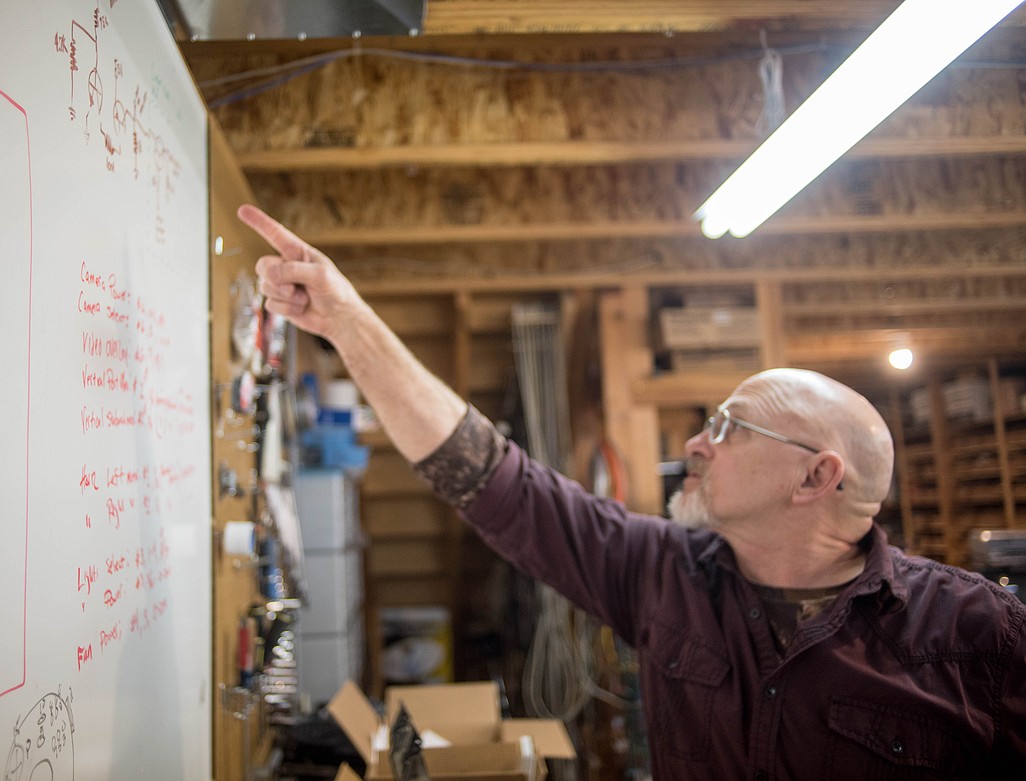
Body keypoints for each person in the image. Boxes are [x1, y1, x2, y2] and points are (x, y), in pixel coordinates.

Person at [238, 204, 1026, 779]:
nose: (694, 444)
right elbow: (491, 478)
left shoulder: (974, 632)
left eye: (728, 427)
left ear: (816, 476)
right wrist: (348, 323)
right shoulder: (664, 573)